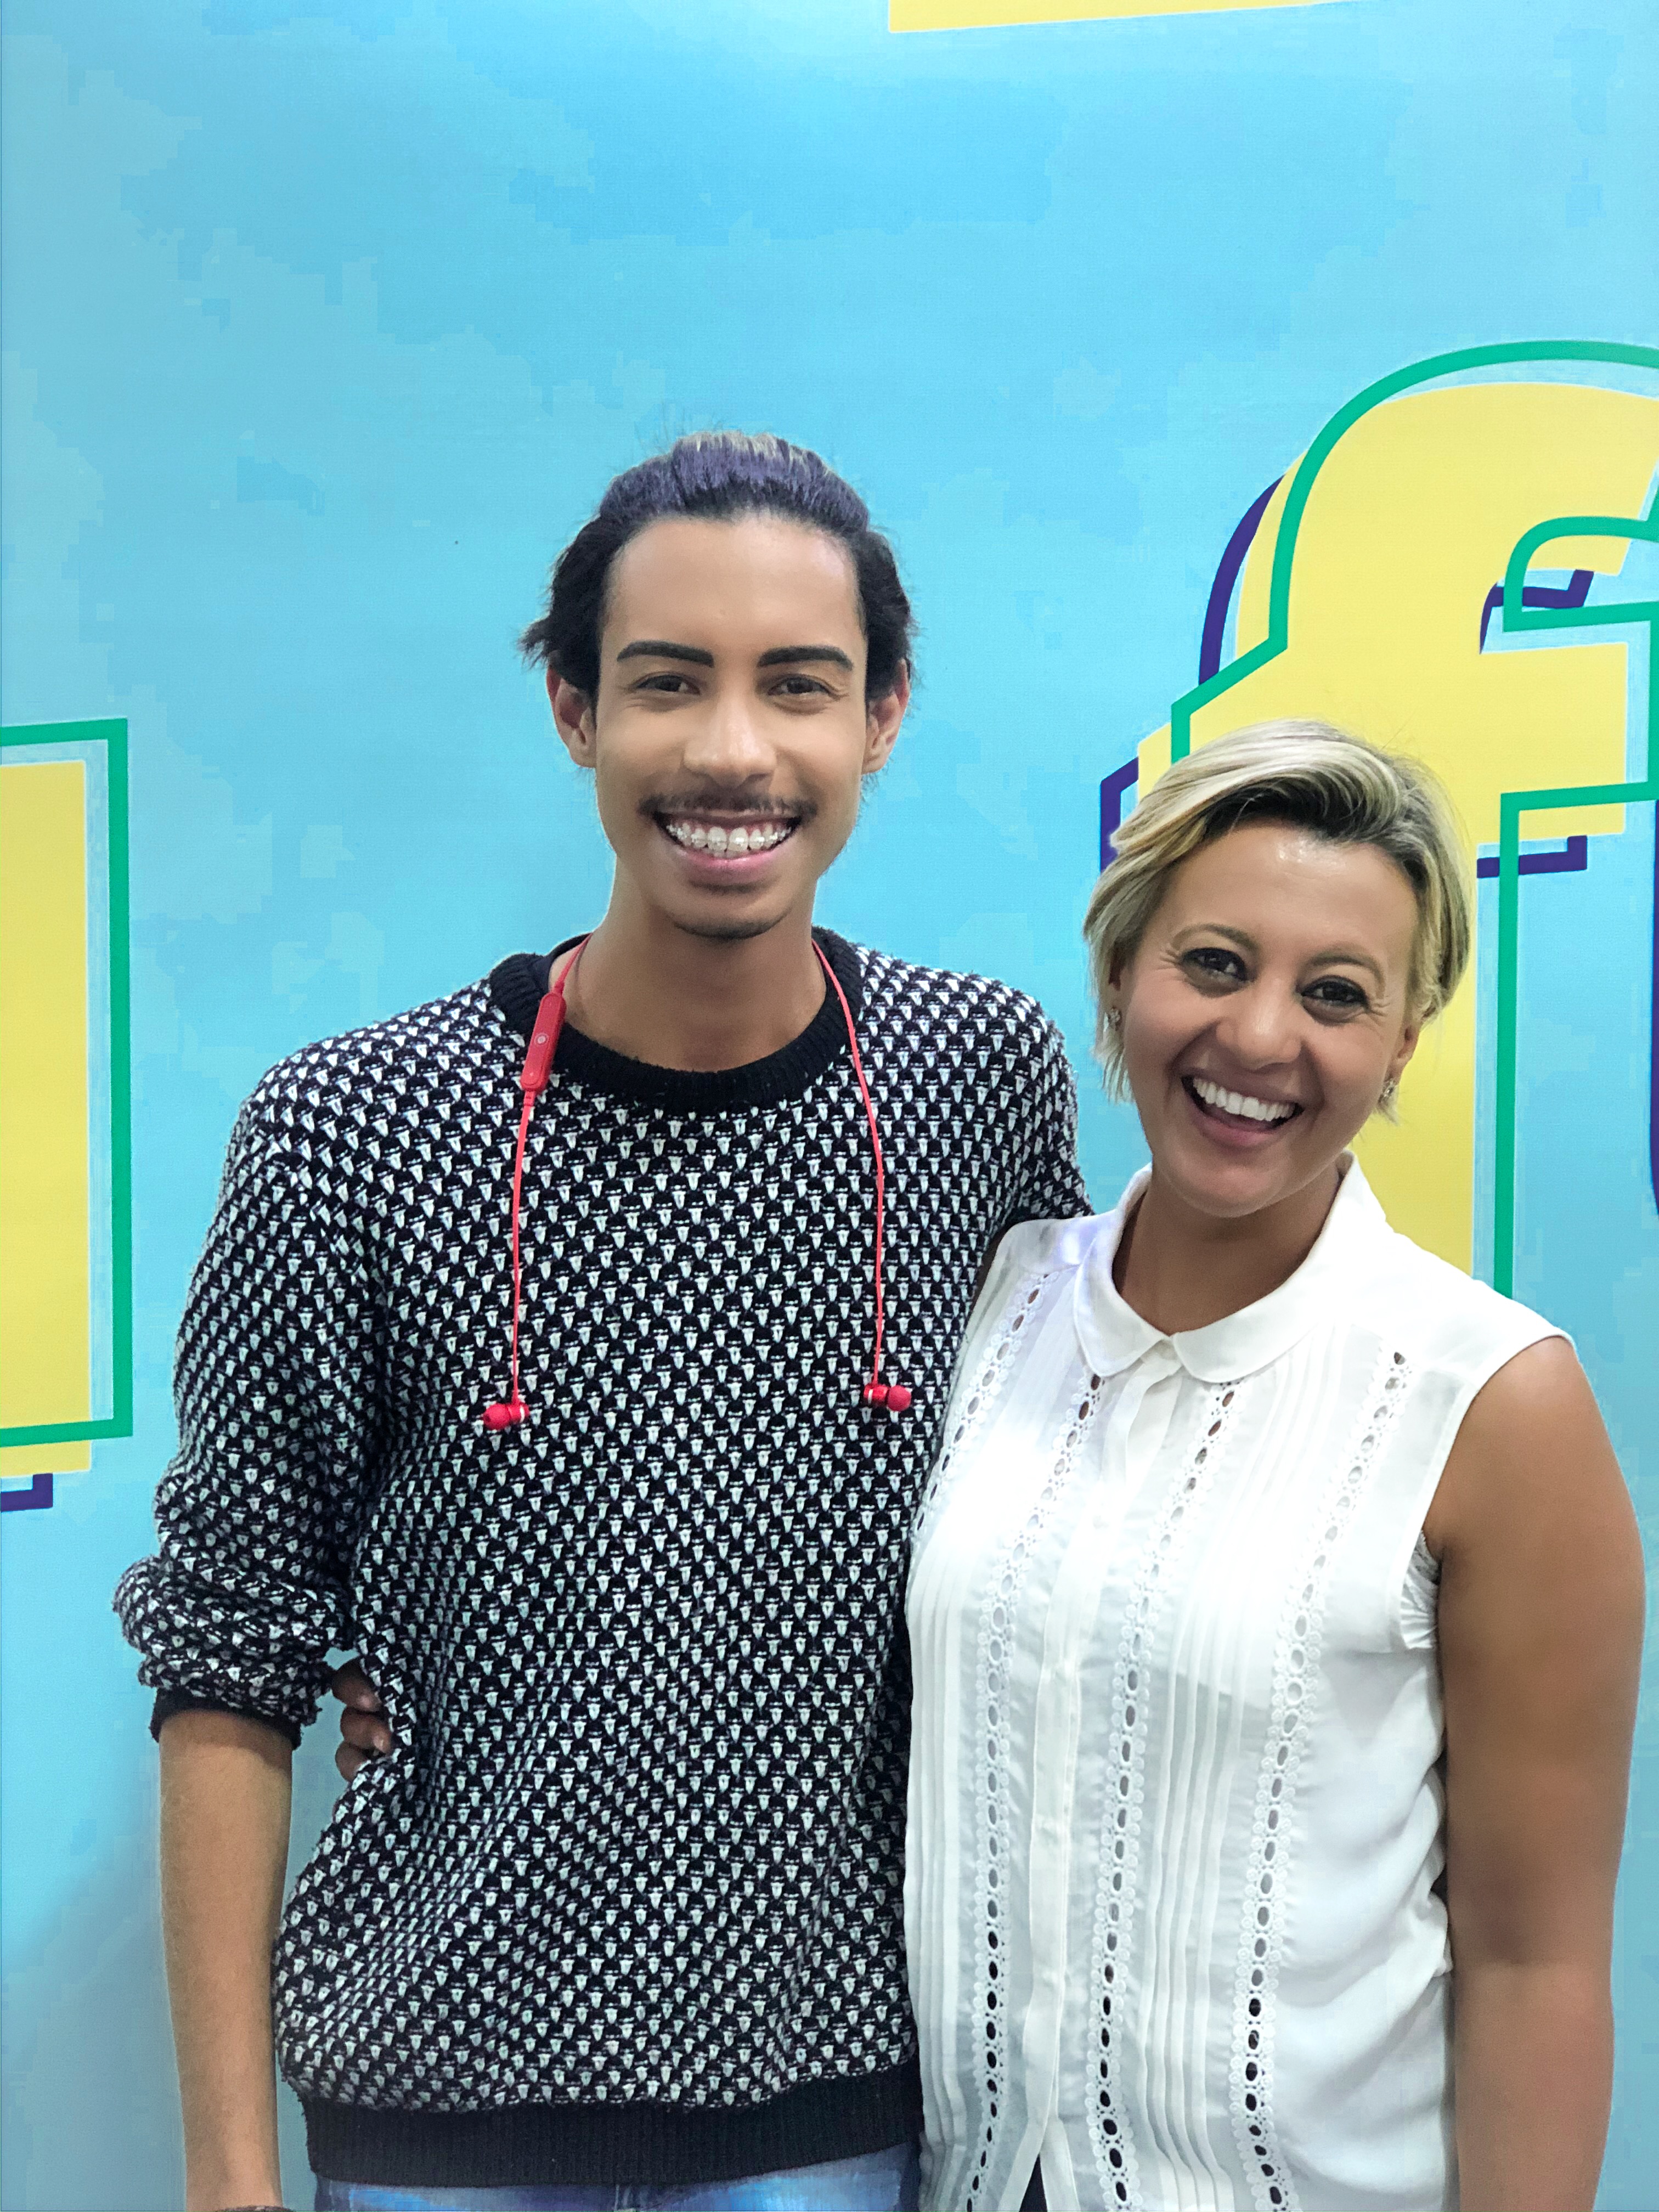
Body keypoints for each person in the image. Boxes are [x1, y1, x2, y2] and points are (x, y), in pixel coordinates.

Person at [115, 432, 1090, 2212]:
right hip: (436, 2114)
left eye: (799, 685)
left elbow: (1067, 1529)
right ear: (575, 711)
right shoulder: (348, 1130)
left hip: (840, 2116)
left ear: (881, 718)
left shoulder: (980, 1081)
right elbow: (228, 1652)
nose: (733, 751)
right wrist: (228, 2174)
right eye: (666, 682)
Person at [904, 723, 1644, 2212]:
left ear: (1402, 1045)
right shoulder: (990, 1305)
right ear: (1120, 976)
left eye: (1336, 994)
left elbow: (1535, 1963)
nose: (1257, 1039)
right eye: (1215, 963)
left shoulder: (1493, 1400)